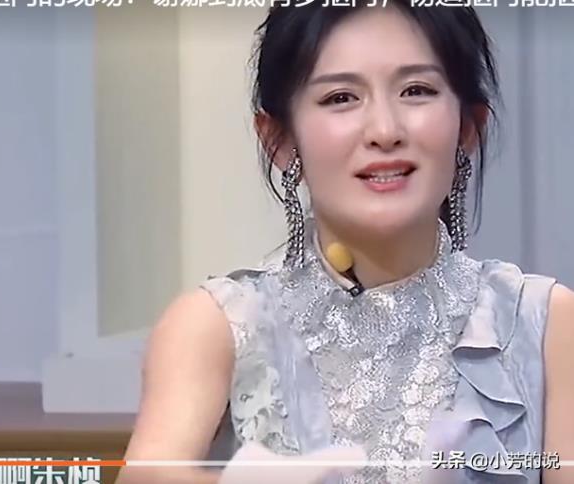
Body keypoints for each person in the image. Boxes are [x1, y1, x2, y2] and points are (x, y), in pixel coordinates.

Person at [116, 1, 574, 483]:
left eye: (416, 91)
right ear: (280, 140)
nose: (384, 131)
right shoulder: (219, 325)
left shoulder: (542, 323)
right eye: (341, 98)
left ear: (467, 126)